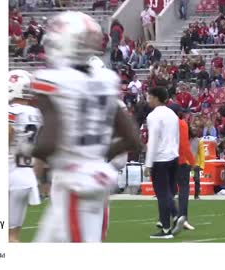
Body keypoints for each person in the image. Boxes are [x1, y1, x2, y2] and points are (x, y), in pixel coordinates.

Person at [31, 11, 141, 242]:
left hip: (74, 183)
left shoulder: (54, 80)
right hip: (94, 177)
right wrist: (95, 155)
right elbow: (133, 139)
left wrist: (24, 151)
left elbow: (48, 142)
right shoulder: (106, 80)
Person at [144, 86, 186, 239]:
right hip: (172, 157)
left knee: (162, 194)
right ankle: (171, 222)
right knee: (168, 192)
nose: (148, 98)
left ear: (155, 97)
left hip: (160, 159)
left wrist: (148, 164)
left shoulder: (153, 116)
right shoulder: (172, 114)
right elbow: (176, 137)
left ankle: (171, 222)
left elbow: (153, 140)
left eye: (149, 96)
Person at [8, 69, 42, 242]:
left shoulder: (11, 110)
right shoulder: (36, 113)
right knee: (13, 235)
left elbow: (7, 134)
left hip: (10, 174)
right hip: (25, 175)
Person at [168, 103, 196, 231]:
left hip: (166, 160)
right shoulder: (181, 124)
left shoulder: (165, 124)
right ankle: (182, 217)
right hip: (180, 161)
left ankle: (164, 217)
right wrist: (192, 161)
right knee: (184, 190)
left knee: (168, 191)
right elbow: (184, 145)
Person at [190, 127, 205, 200]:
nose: (194, 132)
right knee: (184, 181)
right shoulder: (186, 140)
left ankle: (196, 195)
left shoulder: (199, 141)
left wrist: (202, 165)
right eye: (192, 130)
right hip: (187, 164)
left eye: (195, 130)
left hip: (195, 165)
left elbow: (202, 154)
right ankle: (182, 195)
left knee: (196, 180)